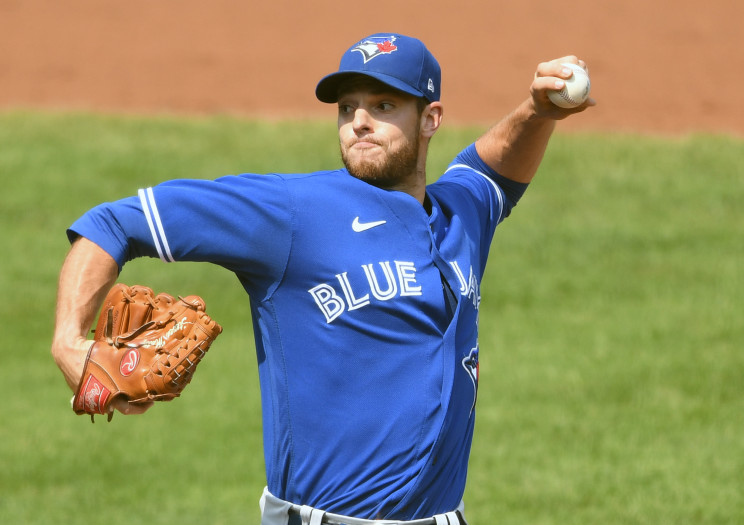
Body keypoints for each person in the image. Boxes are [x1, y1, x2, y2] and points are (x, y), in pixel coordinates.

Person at [52, 33, 594, 524]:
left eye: (384, 106)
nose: (360, 121)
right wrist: (69, 342)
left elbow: (492, 166)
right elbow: (113, 223)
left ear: (430, 118)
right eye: (348, 107)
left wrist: (536, 111)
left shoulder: (462, 212)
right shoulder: (292, 212)